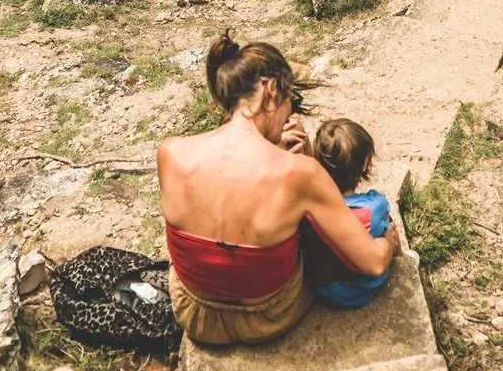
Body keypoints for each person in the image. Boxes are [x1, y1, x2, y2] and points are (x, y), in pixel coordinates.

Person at [155, 34, 397, 345]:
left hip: (195, 314)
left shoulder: (171, 152)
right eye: (290, 101)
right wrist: (387, 242)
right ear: (272, 91)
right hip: (268, 317)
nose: (289, 115)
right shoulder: (300, 174)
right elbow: (373, 263)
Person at [305, 118, 395, 310]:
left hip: (322, 289)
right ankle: (403, 257)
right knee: (389, 225)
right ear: (366, 167)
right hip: (362, 290)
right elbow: (384, 221)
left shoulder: (311, 205)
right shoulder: (374, 205)